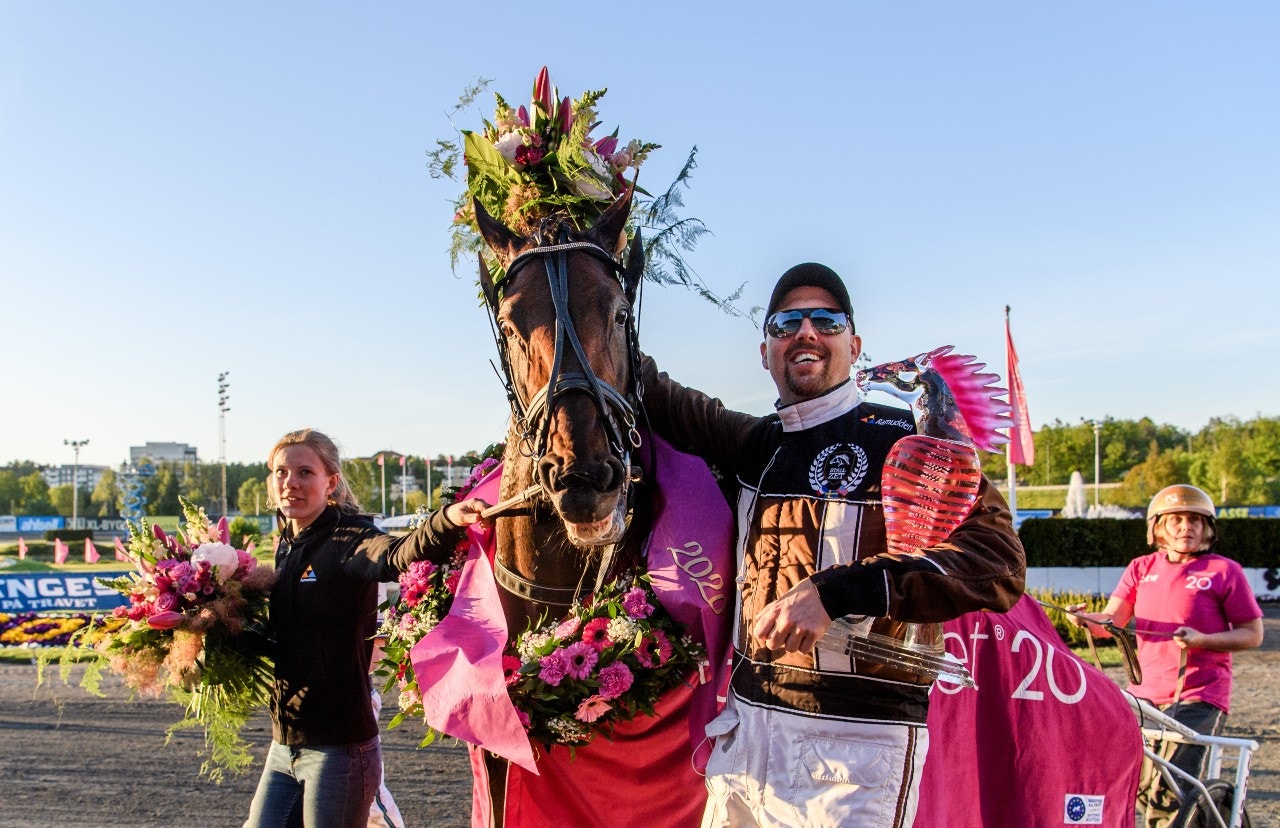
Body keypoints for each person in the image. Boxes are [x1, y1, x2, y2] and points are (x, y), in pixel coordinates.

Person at [640, 263, 1026, 828]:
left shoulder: (910, 440)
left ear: (854, 343)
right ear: (766, 350)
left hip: (856, 748)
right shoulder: (754, 444)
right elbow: (647, 388)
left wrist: (835, 592)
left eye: (826, 319)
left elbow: (998, 565)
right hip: (745, 730)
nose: (806, 331)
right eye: (786, 322)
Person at [245, 429, 488, 828]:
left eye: (305, 472)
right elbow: (287, 639)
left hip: (338, 750)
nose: (290, 483)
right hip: (283, 747)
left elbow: (393, 555)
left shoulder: (349, 537)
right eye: (281, 472)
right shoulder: (287, 544)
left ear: (331, 482)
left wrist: (445, 521)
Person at [1071, 484, 1263, 828]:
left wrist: (1202, 640)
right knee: (1138, 784)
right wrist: (1084, 619)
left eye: (1194, 520)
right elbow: (1111, 622)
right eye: (1176, 519)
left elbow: (1253, 633)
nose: (1185, 527)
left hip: (1199, 696)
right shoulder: (1141, 567)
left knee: (1173, 788)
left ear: (1207, 528)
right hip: (1144, 697)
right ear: (1158, 526)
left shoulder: (1223, 571)